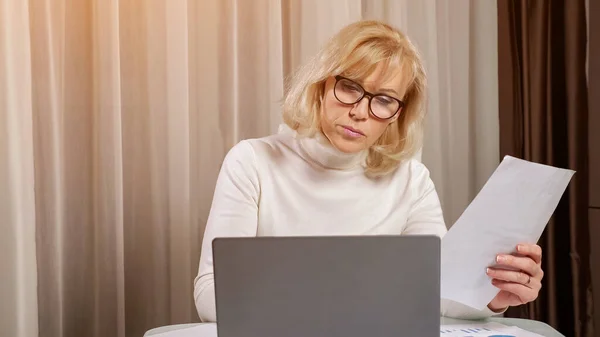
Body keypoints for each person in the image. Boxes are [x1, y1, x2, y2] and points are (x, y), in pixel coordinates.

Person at [193, 20, 544, 323]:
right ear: (321, 85)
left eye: (384, 100)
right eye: (350, 87)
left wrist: (495, 297)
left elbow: (439, 291)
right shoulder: (253, 161)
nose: (361, 112)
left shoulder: (411, 180)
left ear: (398, 114)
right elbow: (210, 291)